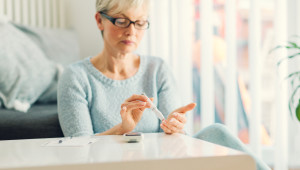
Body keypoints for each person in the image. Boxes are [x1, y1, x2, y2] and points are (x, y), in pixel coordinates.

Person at [57, 0, 270, 170]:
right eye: (121, 21)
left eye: (140, 22)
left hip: (162, 163)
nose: (132, 31)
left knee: (216, 132)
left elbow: (176, 140)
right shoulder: (76, 77)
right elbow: (79, 150)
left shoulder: (157, 69)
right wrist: (123, 129)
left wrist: (176, 127)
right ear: (99, 20)